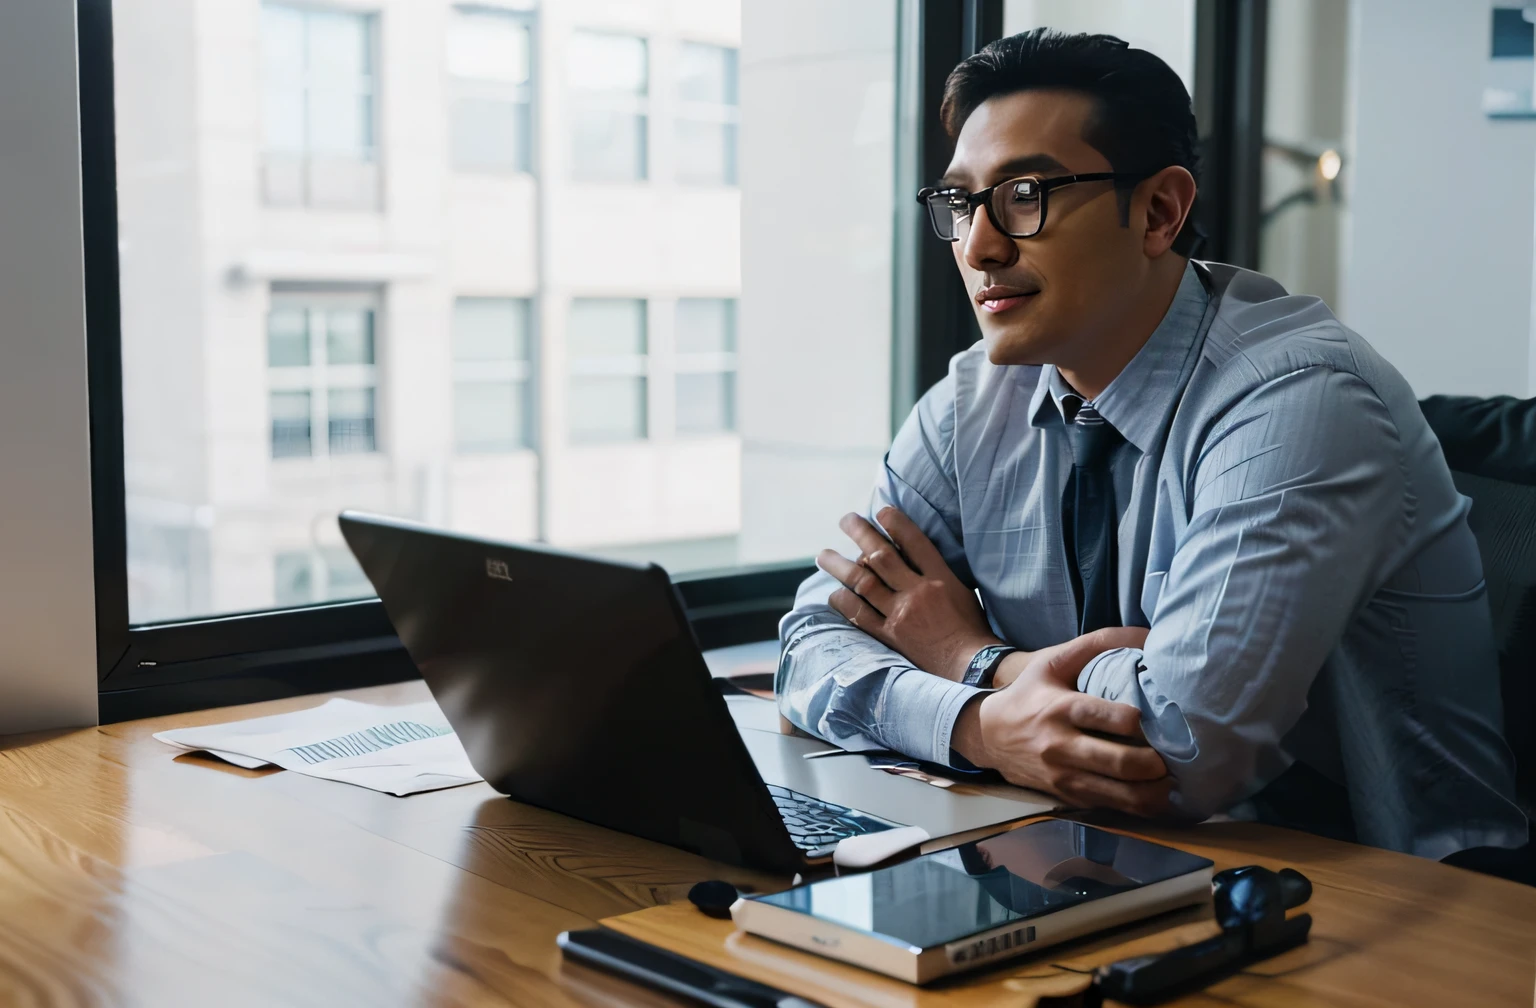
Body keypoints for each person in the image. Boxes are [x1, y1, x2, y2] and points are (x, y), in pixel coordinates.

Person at [775, 28, 1528, 863]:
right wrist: (983, 726)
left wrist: (967, 654)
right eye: (960, 204)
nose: (979, 245)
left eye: (1025, 193)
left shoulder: (1303, 395)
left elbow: (1180, 751)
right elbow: (810, 641)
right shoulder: (971, 401)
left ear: (1160, 211)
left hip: (1389, 893)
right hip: (1088, 852)